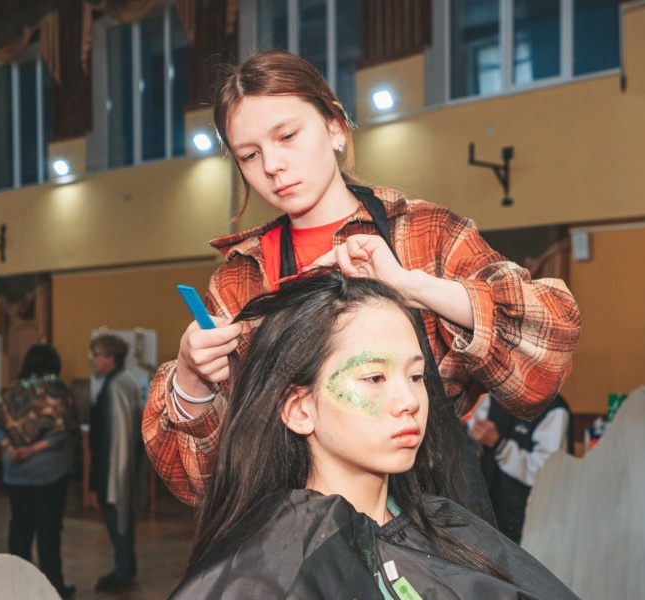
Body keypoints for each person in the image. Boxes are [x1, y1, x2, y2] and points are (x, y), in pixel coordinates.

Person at [142, 49, 581, 520]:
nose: (272, 165)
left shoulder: (424, 234)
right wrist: (192, 383)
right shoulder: (241, 279)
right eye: (250, 155)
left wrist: (413, 287)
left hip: (428, 521)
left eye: (287, 136)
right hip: (295, 533)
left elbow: (549, 349)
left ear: (335, 126)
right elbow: (202, 484)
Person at [173, 269, 579, 599]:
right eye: (374, 377)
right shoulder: (269, 567)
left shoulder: (448, 528)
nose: (409, 401)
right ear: (299, 409)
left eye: (416, 376)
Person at [0, 344, 79, 599]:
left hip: (16, 471)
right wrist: (32, 449)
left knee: (19, 528)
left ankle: (19, 588)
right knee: (48, 532)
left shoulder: (12, 390)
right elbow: (64, 431)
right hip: (49, 472)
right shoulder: (58, 391)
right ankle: (53, 588)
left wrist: (10, 447)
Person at [467, 391, 574, 543]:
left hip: (530, 521)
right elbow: (473, 429)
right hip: (488, 510)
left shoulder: (555, 410)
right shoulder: (496, 397)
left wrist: (499, 445)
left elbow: (544, 473)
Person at [88, 334, 145, 593]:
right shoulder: (123, 381)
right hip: (117, 466)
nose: (93, 359)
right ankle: (125, 567)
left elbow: (120, 436)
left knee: (118, 519)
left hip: (115, 468)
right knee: (120, 520)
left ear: (110, 358)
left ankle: (123, 571)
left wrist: (114, 479)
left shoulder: (117, 384)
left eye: (97, 354)